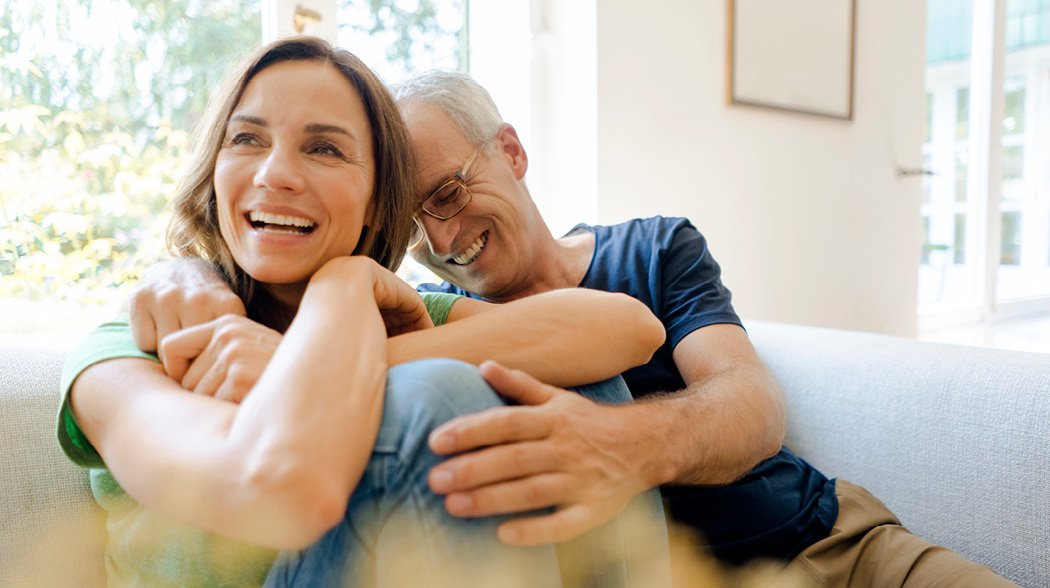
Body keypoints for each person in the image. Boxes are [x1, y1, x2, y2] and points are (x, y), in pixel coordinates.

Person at [130, 66, 1017, 586]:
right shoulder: (427, 319)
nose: (443, 240)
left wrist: (627, 445)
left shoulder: (652, 248)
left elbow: (749, 405)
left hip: (830, 544)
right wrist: (195, 277)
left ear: (510, 153)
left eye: (448, 193)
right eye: (414, 227)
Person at [56, 38, 671, 587]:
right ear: (214, 171)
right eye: (246, 139)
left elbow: (627, 328)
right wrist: (334, 324)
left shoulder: (388, 311)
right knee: (436, 391)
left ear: (379, 205)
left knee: (580, 381)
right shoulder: (132, 345)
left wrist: (335, 311)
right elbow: (275, 492)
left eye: (323, 148)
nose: (276, 174)